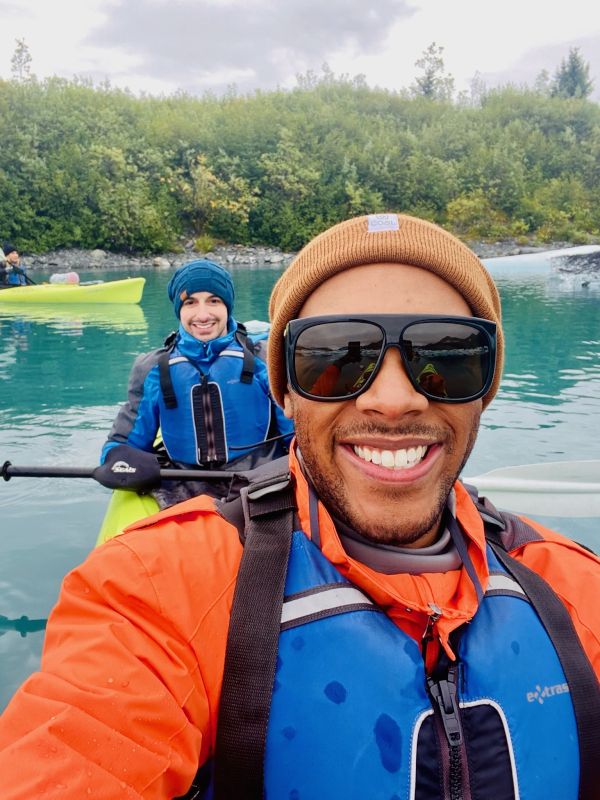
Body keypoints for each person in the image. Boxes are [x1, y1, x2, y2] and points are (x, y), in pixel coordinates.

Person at [0, 213, 598, 799]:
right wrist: (124, 459)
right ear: (291, 387)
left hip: (252, 469)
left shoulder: (577, 588)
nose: (393, 401)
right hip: (186, 486)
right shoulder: (153, 589)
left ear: (488, 385)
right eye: (336, 357)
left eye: (447, 356)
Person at [96, 258, 294, 502]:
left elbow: (294, 434)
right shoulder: (153, 368)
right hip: (182, 485)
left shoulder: (265, 358)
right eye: (190, 303)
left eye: (214, 301)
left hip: (257, 481)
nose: (203, 315)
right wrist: (119, 461)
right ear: (179, 309)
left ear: (227, 306)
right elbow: (122, 444)